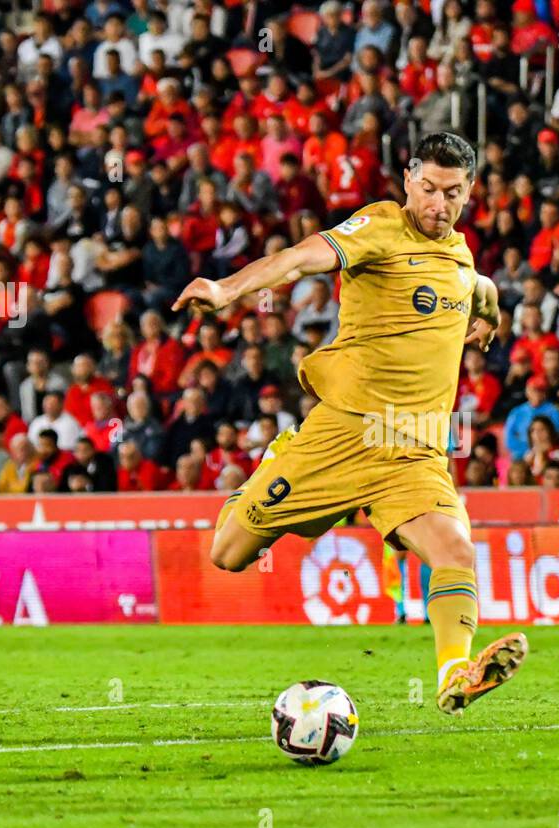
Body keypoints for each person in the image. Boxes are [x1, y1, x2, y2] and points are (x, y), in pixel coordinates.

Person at [174, 132, 527, 717]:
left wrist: (488, 319)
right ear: (410, 180)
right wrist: (226, 288)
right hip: (341, 437)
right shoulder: (380, 228)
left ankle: (454, 674)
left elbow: (479, 288)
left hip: (411, 453)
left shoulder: (460, 259)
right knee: (229, 553)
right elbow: (297, 260)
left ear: (469, 194)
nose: (439, 205)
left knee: (456, 551)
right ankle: (271, 466)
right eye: (430, 189)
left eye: (453, 194)